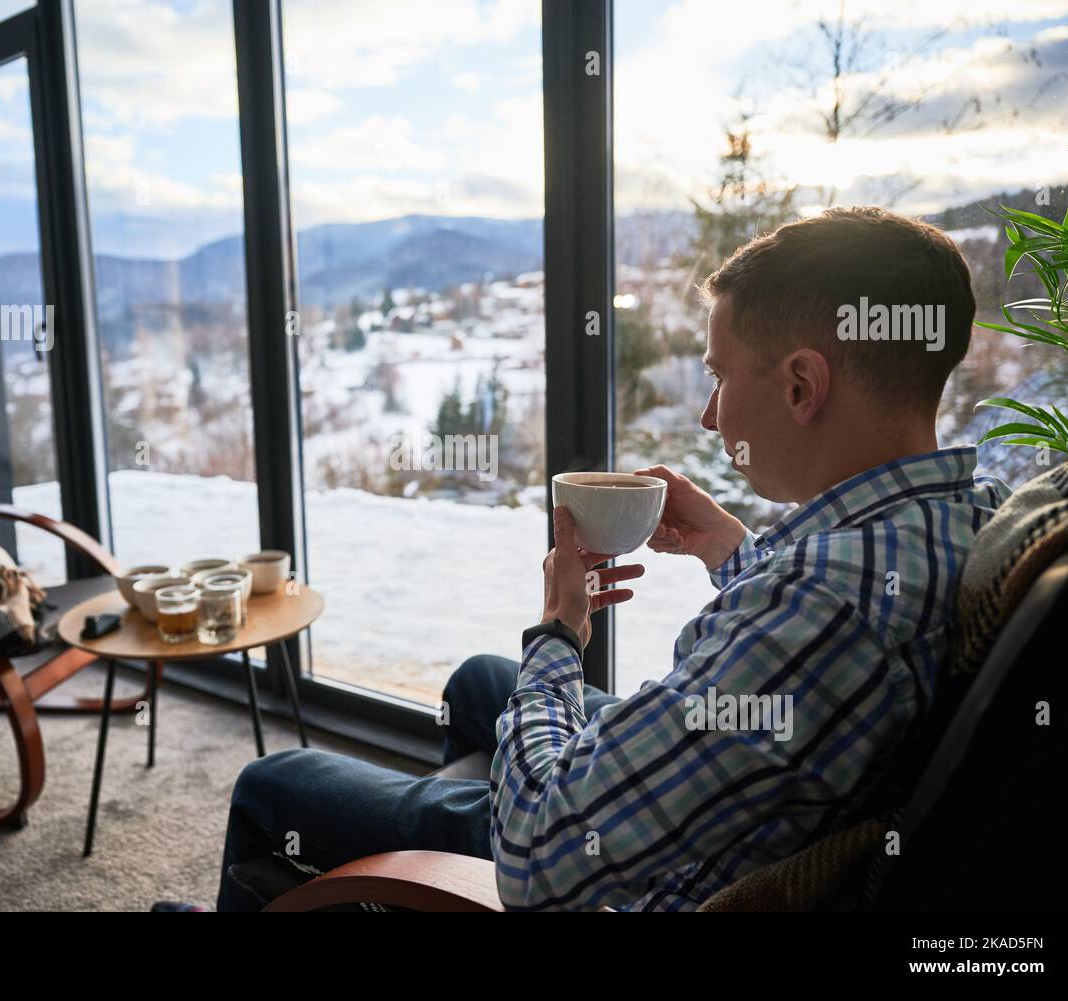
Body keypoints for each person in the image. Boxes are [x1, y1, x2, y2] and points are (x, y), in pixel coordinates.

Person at [213, 206, 1011, 912]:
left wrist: (559, 632)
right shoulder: (950, 514)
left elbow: (536, 856)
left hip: (601, 866)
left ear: (803, 385)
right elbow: (814, 640)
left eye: (721, 376)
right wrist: (736, 551)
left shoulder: (826, 603)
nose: (707, 414)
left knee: (271, 786)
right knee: (481, 681)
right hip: (713, 808)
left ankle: (413, 864)